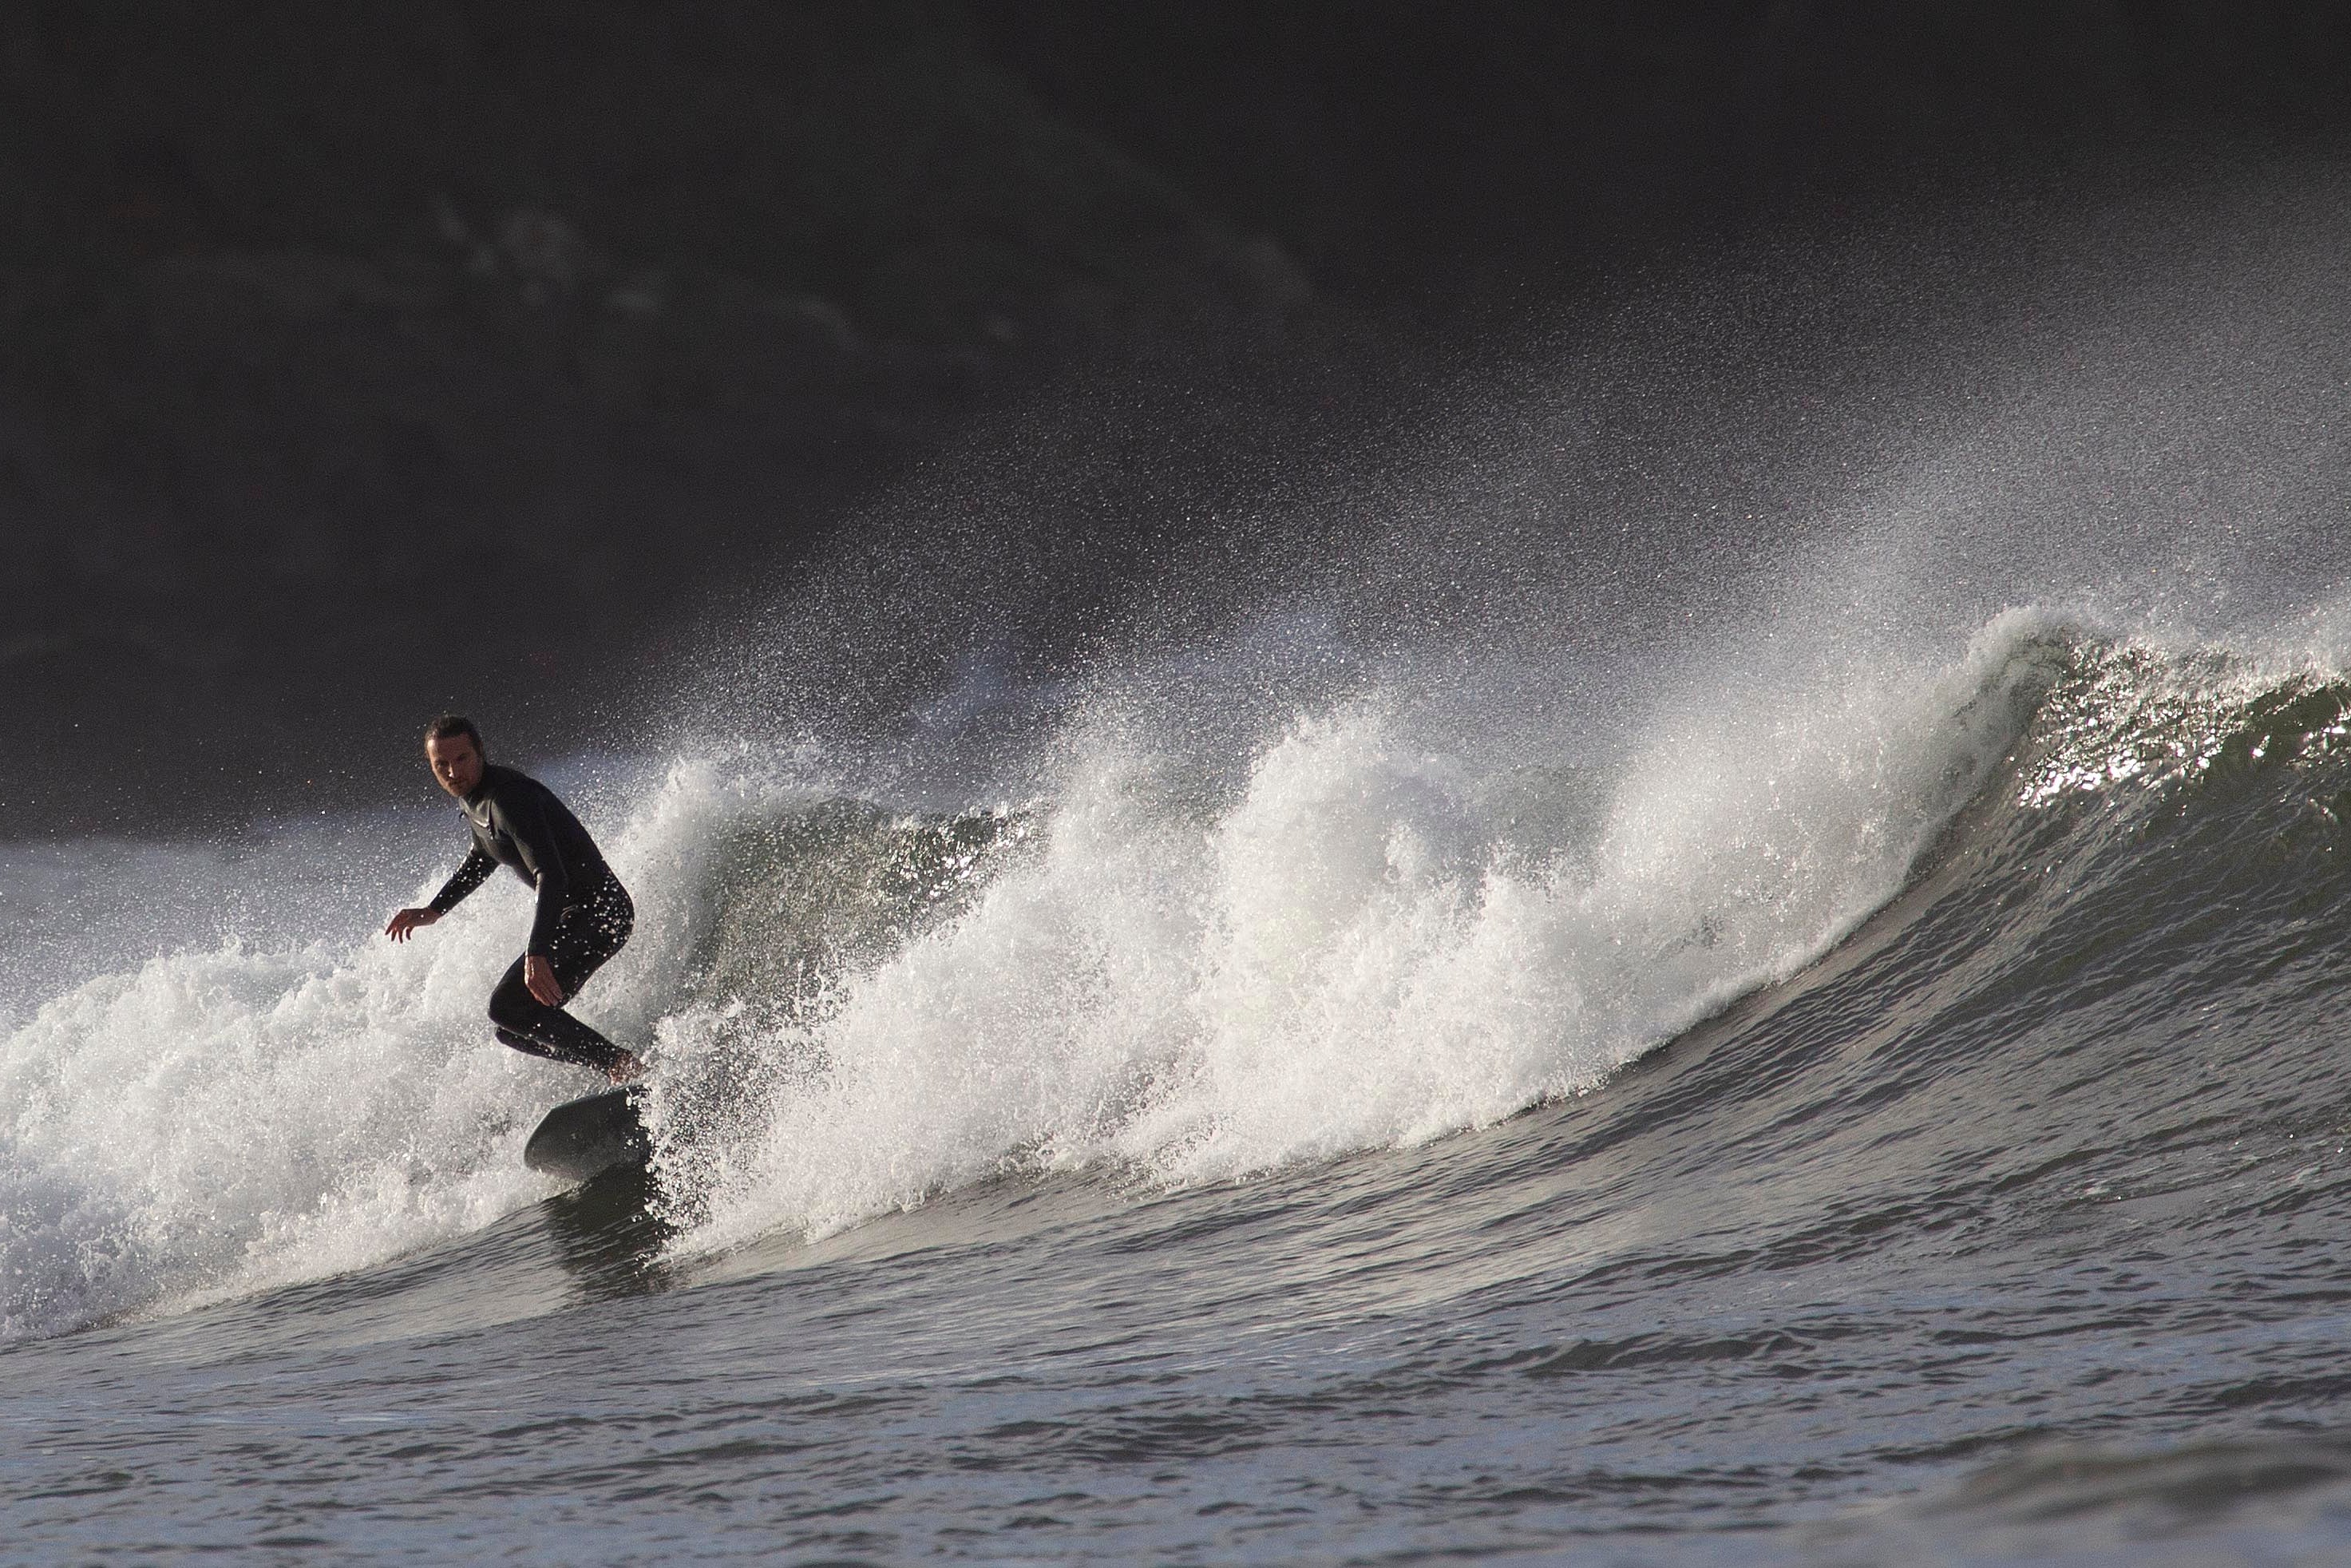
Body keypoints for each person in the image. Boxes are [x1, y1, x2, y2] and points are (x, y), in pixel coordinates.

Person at [385, 715, 645, 1083]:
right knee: (513, 1026)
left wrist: (536, 952)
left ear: (480, 754)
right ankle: (620, 1069)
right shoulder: (475, 800)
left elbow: (551, 874)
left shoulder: (508, 799)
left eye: (461, 759)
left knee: (507, 1007)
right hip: (586, 917)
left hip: (601, 913)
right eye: (440, 764)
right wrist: (434, 910)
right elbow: (484, 855)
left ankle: (621, 1064)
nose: (453, 772)